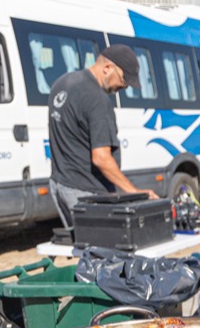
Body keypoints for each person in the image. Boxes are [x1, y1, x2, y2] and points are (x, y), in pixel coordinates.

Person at [47, 44, 160, 226]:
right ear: (107, 68)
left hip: (60, 185)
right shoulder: (97, 100)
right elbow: (101, 158)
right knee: (101, 243)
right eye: (124, 80)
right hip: (88, 193)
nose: (124, 87)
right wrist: (133, 192)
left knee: (80, 241)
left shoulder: (62, 84)